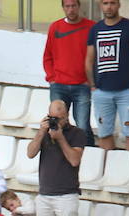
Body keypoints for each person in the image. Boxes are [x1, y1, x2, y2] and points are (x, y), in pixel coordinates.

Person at [26, 99, 87, 216]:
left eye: (58, 118)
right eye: (51, 117)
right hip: (45, 193)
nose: (55, 121)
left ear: (66, 116)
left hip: (67, 193)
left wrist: (60, 138)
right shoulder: (44, 132)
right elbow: (30, 153)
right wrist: (41, 132)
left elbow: (74, 160)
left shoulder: (77, 133)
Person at [87, 0, 129, 152]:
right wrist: (93, 86)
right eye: (105, 3)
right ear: (101, 5)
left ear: (119, 5)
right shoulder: (95, 29)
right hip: (102, 91)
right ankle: (107, 171)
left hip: (127, 91)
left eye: (112, 3)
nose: (109, 7)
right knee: (104, 133)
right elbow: (89, 59)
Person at [44, 0, 95, 144]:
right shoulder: (55, 27)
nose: (71, 9)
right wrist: (52, 77)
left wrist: (91, 80)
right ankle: (60, 155)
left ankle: (88, 158)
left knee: (83, 126)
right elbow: (48, 55)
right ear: (63, 8)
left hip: (82, 86)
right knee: (56, 124)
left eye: (73, 6)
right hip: (59, 85)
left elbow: (97, 55)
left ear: (79, 7)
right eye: (67, 6)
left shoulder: (91, 27)